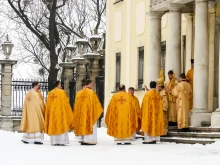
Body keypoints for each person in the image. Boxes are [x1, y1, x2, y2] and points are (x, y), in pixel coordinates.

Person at [73, 80, 103, 145]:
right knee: (90, 124)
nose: (92, 85)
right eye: (91, 84)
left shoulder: (79, 93)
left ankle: (82, 139)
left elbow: (76, 105)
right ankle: (90, 140)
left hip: (81, 113)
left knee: (82, 124)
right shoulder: (91, 93)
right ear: (89, 84)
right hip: (89, 113)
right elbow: (96, 104)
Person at [45, 81, 74, 146]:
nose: (61, 85)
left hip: (52, 113)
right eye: (60, 84)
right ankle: (61, 141)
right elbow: (65, 103)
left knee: (53, 125)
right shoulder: (62, 92)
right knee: (61, 125)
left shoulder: (50, 93)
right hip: (60, 112)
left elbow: (48, 105)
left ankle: (54, 141)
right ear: (58, 85)